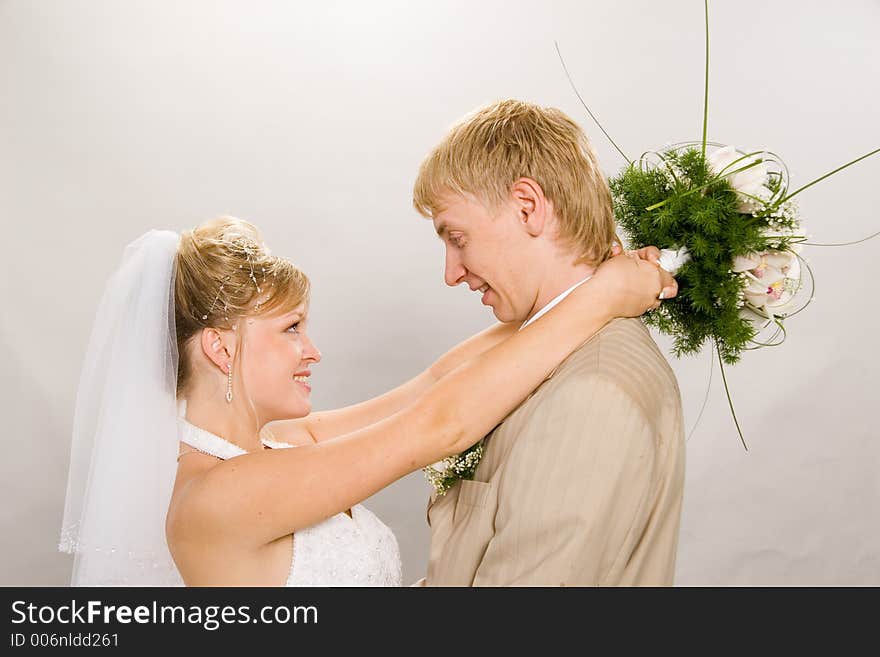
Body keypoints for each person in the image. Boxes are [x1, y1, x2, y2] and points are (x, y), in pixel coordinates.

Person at [58, 215, 674, 586]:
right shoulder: (217, 496)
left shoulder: (280, 447)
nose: (313, 351)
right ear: (221, 351)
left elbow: (432, 385)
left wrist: (579, 287)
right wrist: (602, 299)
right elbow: (439, 425)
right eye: (291, 328)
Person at [408, 99, 687, 586]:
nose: (451, 273)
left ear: (527, 207)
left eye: (457, 237)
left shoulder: (592, 394)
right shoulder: (548, 350)